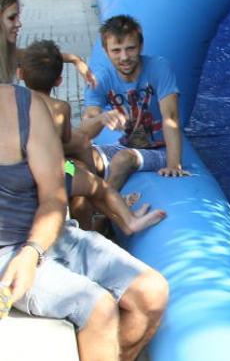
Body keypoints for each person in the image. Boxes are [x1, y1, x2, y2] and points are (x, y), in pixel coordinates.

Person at [0, 82, 169, 361]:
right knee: (99, 306)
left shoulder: (25, 105)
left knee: (152, 292)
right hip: (4, 254)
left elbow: (60, 187)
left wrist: (126, 220)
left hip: (50, 233)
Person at [19, 40, 166, 235]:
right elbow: (65, 140)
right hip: (59, 169)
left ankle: (95, 226)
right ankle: (126, 222)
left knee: (81, 171)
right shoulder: (60, 107)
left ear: (20, 75)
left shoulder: (16, 103)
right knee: (97, 186)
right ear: (59, 81)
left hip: (26, 170)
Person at [80, 15, 190, 192]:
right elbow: (85, 128)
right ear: (105, 50)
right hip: (125, 145)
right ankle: (74, 211)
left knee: (124, 158)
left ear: (141, 46)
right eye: (116, 51)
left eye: (130, 49)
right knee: (72, 162)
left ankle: (101, 212)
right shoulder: (100, 78)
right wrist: (101, 118)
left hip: (159, 151)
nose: (124, 57)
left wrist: (174, 164)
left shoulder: (158, 68)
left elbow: (171, 117)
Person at [0, 0, 96, 86]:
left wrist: (75, 60)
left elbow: (37, 56)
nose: (19, 24)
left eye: (18, 17)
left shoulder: (8, 52)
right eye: (11, 18)